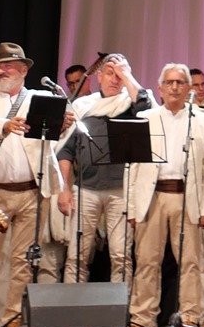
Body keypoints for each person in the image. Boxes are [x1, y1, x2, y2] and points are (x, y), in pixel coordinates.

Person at [0, 43, 70, 327]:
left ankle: (13, 320)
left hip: (31, 192)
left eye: (8, 65)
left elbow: (54, 138)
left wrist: (64, 126)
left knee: (24, 261)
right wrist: (5, 124)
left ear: (24, 70)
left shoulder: (42, 98)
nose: (0, 70)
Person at [128, 63, 204, 327]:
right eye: (169, 82)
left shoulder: (202, 120)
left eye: (180, 82)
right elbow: (133, 165)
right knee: (146, 261)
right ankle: (142, 318)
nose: (175, 87)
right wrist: (131, 206)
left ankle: (189, 319)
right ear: (160, 88)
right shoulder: (145, 117)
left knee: (190, 263)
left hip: (186, 197)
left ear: (190, 88)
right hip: (152, 197)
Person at [60, 53, 154, 284]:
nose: (115, 79)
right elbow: (66, 150)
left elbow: (147, 107)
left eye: (120, 75)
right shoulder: (82, 106)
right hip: (86, 189)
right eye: (110, 73)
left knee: (121, 255)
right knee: (77, 255)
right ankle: (71, 310)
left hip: (120, 191)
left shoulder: (131, 103)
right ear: (99, 76)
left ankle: (119, 313)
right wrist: (64, 188)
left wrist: (127, 75)